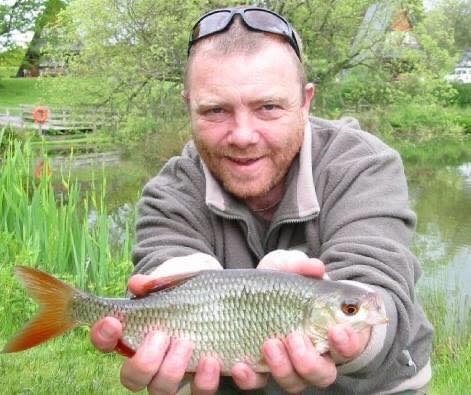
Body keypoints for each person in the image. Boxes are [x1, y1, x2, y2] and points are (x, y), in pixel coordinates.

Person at [91, 6, 433, 394]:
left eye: (268, 107)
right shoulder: (169, 192)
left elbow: (378, 285)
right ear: (188, 106)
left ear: (305, 103)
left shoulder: (364, 164)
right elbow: (163, 269)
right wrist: (185, 287)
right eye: (215, 110)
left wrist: (354, 340)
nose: (243, 135)